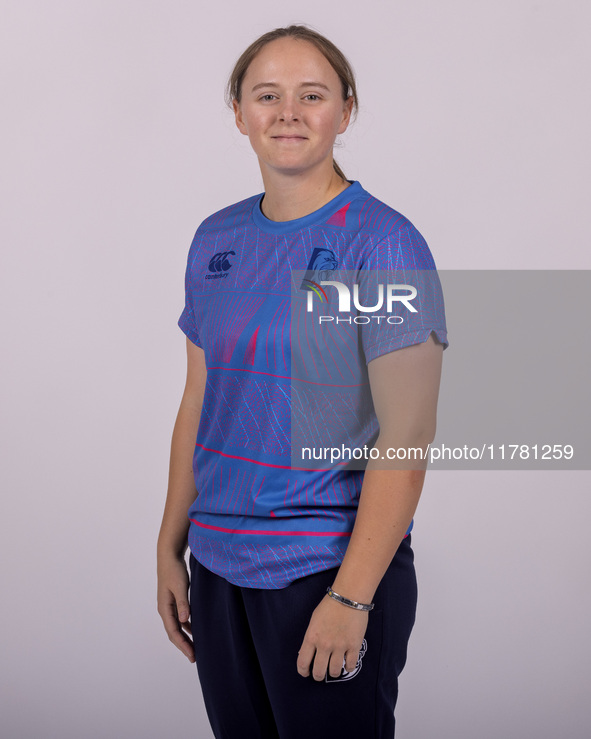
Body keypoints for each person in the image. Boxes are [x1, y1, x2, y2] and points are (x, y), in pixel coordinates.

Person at [157, 24, 448, 739]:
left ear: (344, 111)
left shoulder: (381, 243)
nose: (287, 112)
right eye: (267, 95)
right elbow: (199, 399)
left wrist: (350, 597)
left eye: (310, 95)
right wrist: (169, 544)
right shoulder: (215, 239)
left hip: (323, 567)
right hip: (219, 564)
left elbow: (406, 434)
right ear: (239, 113)